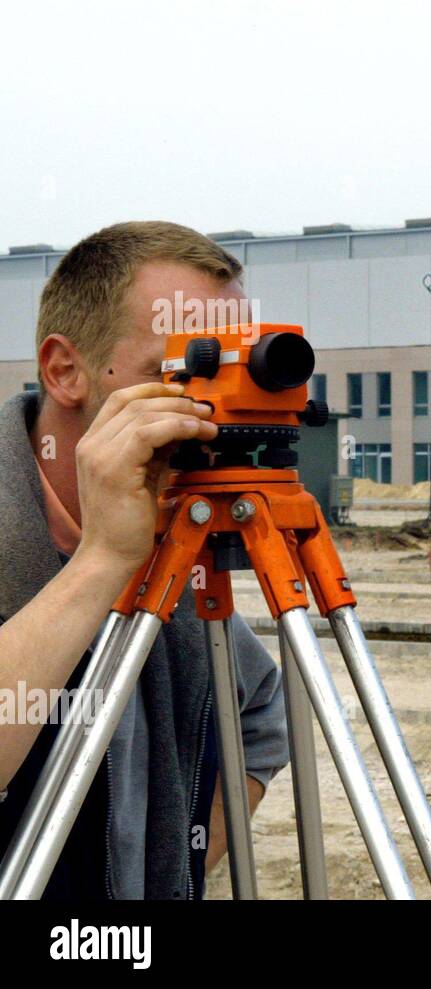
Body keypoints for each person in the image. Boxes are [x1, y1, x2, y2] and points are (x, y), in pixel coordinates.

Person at [0, 221, 289, 899]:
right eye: (181, 371)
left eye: (231, 370)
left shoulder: (172, 528)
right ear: (65, 370)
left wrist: (168, 869)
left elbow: (260, 711)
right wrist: (102, 560)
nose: (208, 408)